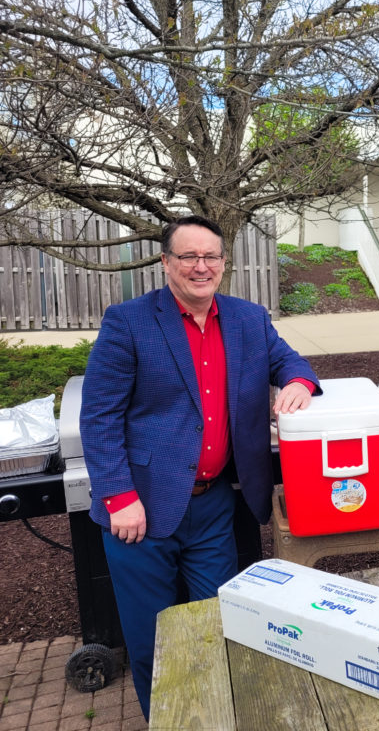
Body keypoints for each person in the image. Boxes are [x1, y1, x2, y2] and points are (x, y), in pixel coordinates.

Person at [80, 216, 320, 718]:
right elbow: (99, 417)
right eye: (188, 256)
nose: (200, 266)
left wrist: (298, 382)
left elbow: (289, 361)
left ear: (223, 263)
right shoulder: (129, 322)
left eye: (210, 256)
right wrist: (118, 497)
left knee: (216, 626)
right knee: (153, 643)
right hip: (140, 513)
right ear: (166, 262)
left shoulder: (247, 319)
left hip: (214, 507)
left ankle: (212, 719)